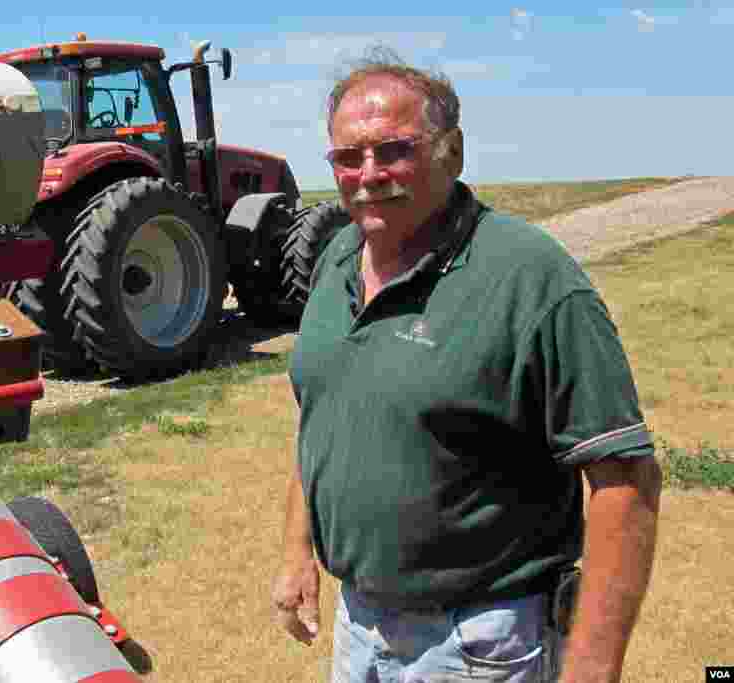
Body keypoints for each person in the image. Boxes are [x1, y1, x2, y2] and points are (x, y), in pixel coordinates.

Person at [272, 46, 662, 683]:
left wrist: (592, 668)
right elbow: (319, 420)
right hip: (360, 628)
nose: (368, 173)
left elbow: (625, 481)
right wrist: (296, 553)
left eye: (394, 150)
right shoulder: (337, 260)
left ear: (450, 152)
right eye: (348, 157)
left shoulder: (530, 278)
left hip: (481, 644)